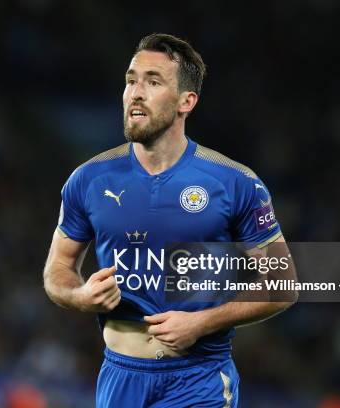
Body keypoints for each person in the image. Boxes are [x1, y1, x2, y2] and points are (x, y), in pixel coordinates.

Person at [43, 33, 297, 408]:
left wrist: (201, 323)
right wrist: (80, 295)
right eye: (131, 80)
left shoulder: (235, 182)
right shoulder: (88, 179)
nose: (136, 93)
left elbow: (283, 284)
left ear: (186, 101)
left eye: (153, 81)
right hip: (119, 377)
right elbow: (58, 271)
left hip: (199, 379)